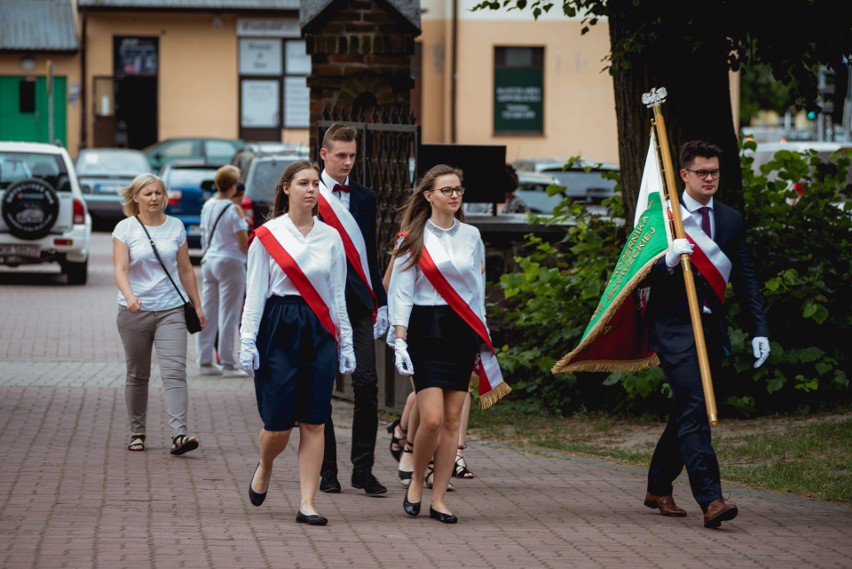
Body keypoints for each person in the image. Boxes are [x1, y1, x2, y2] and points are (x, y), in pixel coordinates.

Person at [641, 140, 770, 529]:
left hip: (712, 328)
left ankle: (658, 485)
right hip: (673, 328)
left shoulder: (729, 218)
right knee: (697, 405)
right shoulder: (664, 218)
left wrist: (759, 329)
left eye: (714, 171)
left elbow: (745, 278)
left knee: (685, 408)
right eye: (702, 172)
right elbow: (637, 275)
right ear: (684, 174)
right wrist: (665, 259)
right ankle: (711, 498)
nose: (710, 178)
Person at [387, 164, 510, 524]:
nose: (454, 196)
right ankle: (414, 481)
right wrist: (399, 339)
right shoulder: (411, 237)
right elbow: (401, 292)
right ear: (428, 195)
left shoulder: (472, 236)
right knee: (431, 419)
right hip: (425, 329)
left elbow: (476, 293)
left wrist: (482, 335)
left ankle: (438, 497)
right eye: (446, 190)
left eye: (458, 189)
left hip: (460, 330)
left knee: (452, 421)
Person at [239, 160, 356, 526]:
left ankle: (308, 502)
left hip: (319, 329)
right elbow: (255, 294)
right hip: (279, 326)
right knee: (276, 426)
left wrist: (346, 341)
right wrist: (247, 340)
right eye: (303, 183)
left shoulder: (331, 238)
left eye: (314, 184)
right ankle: (266, 464)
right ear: (286, 188)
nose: (310, 189)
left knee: (314, 420)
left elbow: (337, 294)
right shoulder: (267, 235)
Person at [316, 124, 389, 496]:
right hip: (321, 303)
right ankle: (327, 470)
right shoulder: (309, 194)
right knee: (322, 388)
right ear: (324, 154)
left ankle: (363, 468)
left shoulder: (365, 197)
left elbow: (370, 254)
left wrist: (383, 301)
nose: (348, 162)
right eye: (341, 155)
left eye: (352, 156)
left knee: (367, 383)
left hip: (359, 302)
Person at [112, 173, 205, 455]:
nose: (154, 198)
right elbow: (121, 269)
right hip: (134, 311)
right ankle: (136, 432)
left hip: (171, 310)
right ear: (135, 198)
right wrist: (130, 297)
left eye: (158, 193)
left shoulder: (176, 226)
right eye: (148, 193)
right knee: (138, 374)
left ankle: (179, 435)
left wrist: (197, 305)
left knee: (175, 372)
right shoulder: (125, 229)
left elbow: (186, 268)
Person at [197, 165, 249, 377]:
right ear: (233, 185)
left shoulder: (208, 204)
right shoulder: (233, 208)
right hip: (231, 262)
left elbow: (203, 233)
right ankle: (228, 363)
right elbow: (243, 242)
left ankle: (205, 362)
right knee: (229, 314)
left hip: (209, 261)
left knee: (208, 313)